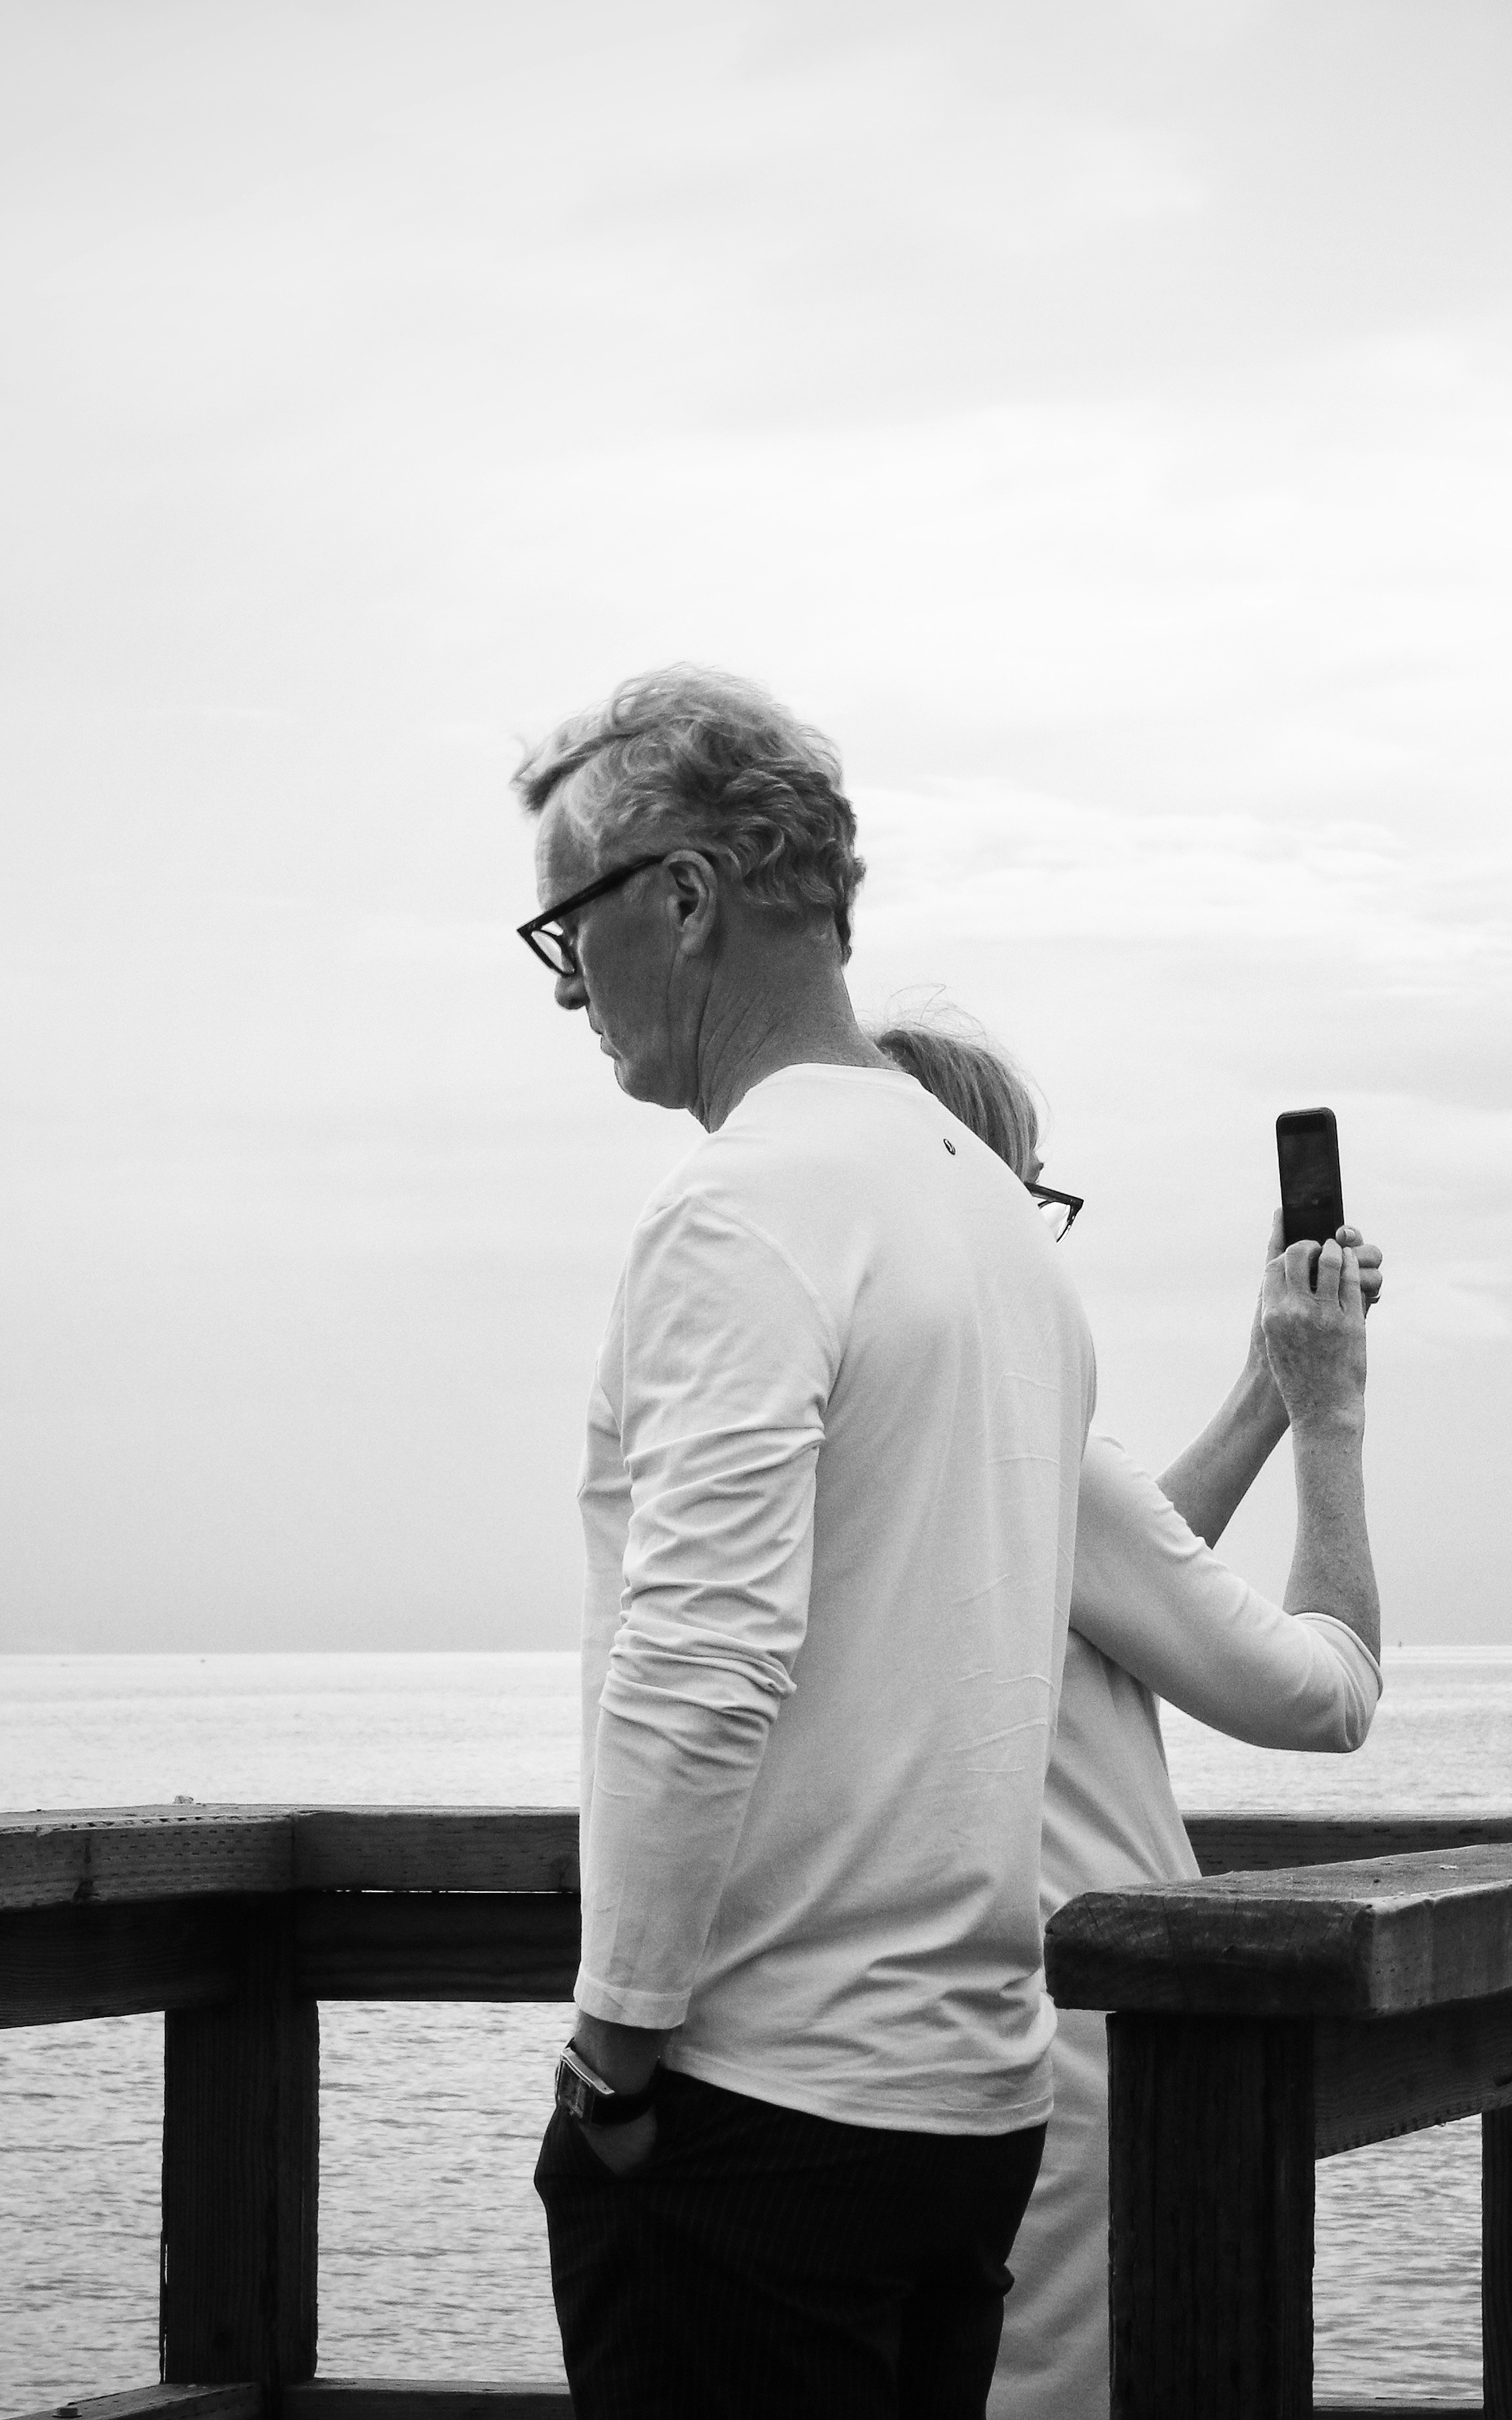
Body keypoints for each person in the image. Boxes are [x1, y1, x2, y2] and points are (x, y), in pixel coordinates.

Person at [519, 672, 1097, 2419]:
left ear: (686, 898)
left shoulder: (743, 1203)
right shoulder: (995, 1214)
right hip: (974, 2099)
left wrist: (616, 2052)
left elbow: (701, 1661)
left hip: (758, 2106)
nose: (566, 986)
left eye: (569, 927)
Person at [869, 1009, 1385, 2420]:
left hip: (922, 2051)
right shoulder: (1025, 1432)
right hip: (1098, 2058)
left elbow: (1120, 1576)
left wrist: (1269, 1382)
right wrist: (1332, 1417)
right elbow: (1332, 1688)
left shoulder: (862, 1418)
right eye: (1035, 1201)